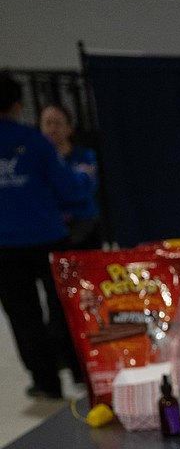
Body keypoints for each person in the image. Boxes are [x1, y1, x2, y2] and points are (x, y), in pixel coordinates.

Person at [0, 72, 94, 399]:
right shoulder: (35, 142)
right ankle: (81, 372)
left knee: (23, 315)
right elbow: (69, 190)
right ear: (17, 105)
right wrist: (82, 179)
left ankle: (46, 381)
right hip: (47, 237)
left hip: (4, 246)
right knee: (65, 306)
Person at [39, 103, 102, 250]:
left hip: (85, 226)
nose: (52, 129)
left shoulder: (86, 156)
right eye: (48, 123)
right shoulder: (36, 162)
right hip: (52, 229)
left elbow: (82, 191)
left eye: (58, 123)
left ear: (69, 128)